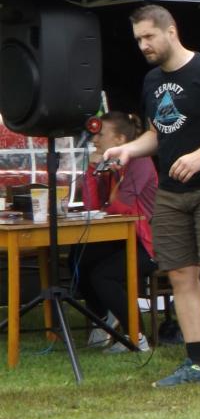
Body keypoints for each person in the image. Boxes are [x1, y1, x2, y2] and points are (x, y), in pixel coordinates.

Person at [102, 5, 200, 387]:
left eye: (149, 36)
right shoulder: (152, 81)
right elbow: (160, 133)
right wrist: (128, 150)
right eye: (138, 39)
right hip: (172, 191)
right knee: (181, 274)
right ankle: (198, 363)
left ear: (171, 30)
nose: (143, 45)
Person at [74, 111, 158, 351]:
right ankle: (103, 320)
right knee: (78, 260)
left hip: (148, 244)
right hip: (121, 238)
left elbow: (121, 207)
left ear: (120, 139)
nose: (95, 140)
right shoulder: (111, 164)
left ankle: (136, 337)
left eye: (100, 135)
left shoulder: (139, 162)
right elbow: (92, 207)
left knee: (104, 275)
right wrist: (91, 171)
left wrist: (108, 195)